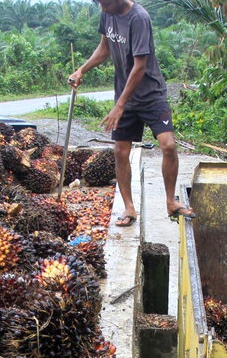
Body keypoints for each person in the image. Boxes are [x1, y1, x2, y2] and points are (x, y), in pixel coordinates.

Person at [68, 0, 195, 227]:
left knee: (168, 146)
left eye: (105, 3)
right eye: (99, 3)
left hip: (150, 95)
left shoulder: (139, 18)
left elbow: (140, 67)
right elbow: (104, 47)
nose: (102, 8)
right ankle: (128, 207)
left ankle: (170, 202)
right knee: (120, 151)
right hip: (124, 96)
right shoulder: (107, 13)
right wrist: (81, 69)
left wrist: (120, 105)